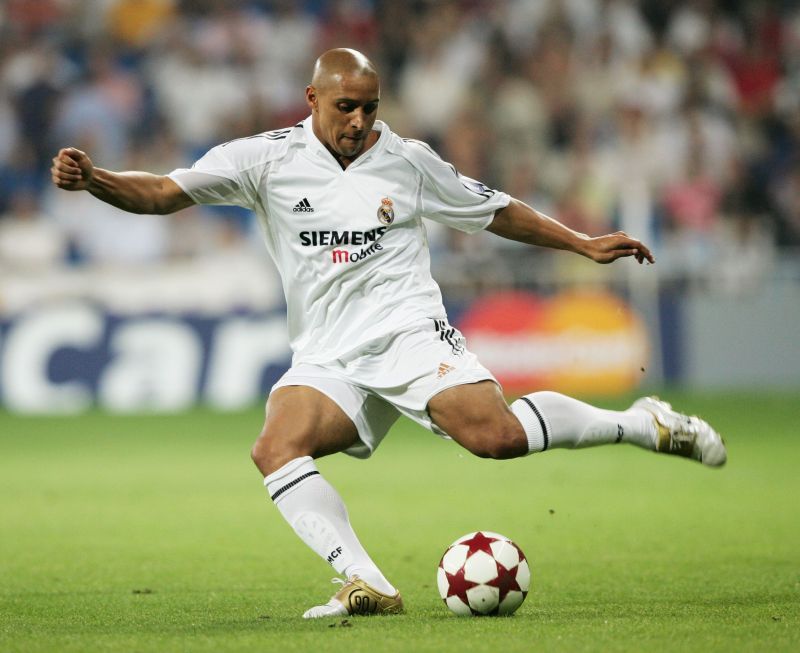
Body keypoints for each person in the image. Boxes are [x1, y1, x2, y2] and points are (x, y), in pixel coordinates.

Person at [51, 48, 726, 619]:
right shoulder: (264, 160)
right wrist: (96, 180)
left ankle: (642, 421)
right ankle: (368, 579)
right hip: (328, 352)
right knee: (276, 444)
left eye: (369, 107)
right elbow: (165, 191)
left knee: (496, 439)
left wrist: (581, 242)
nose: (359, 120)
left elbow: (496, 211)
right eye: (345, 106)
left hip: (408, 334)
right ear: (312, 98)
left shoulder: (407, 161)